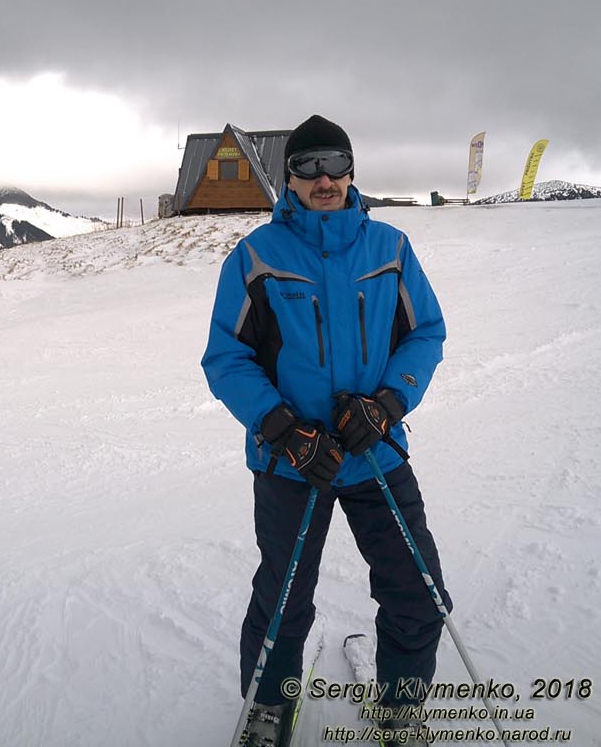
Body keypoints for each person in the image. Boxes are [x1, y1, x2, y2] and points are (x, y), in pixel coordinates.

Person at [202, 115, 450, 746]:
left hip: (375, 453)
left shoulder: (389, 249)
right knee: (283, 602)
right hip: (293, 462)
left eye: (336, 164)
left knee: (417, 592)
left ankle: (402, 708)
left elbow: (426, 332)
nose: (324, 179)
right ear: (289, 176)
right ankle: (268, 709)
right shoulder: (257, 256)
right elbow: (226, 357)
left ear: (351, 171)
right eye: (309, 166)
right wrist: (281, 427)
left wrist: (388, 405)